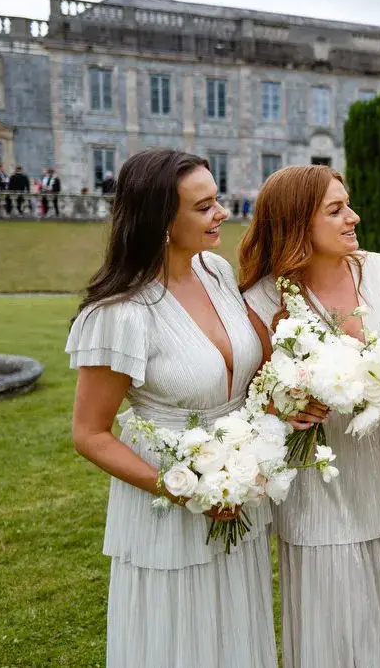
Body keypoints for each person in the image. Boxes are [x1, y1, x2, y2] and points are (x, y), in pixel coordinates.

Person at [66, 149, 276, 667]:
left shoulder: (217, 271)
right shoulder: (119, 314)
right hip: (167, 504)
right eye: (204, 208)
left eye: (217, 199)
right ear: (162, 219)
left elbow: (248, 367)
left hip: (238, 490)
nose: (222, 213)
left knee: (234, 632)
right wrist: (182, 489)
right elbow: (89, 434)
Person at [238, 165, 380, 668]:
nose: (353, 217)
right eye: (336, 210)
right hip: (320, 481)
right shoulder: (262, 299)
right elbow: (250, 401)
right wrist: (283, 403)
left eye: (349, 204)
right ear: (297, 223)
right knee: (338, 620)